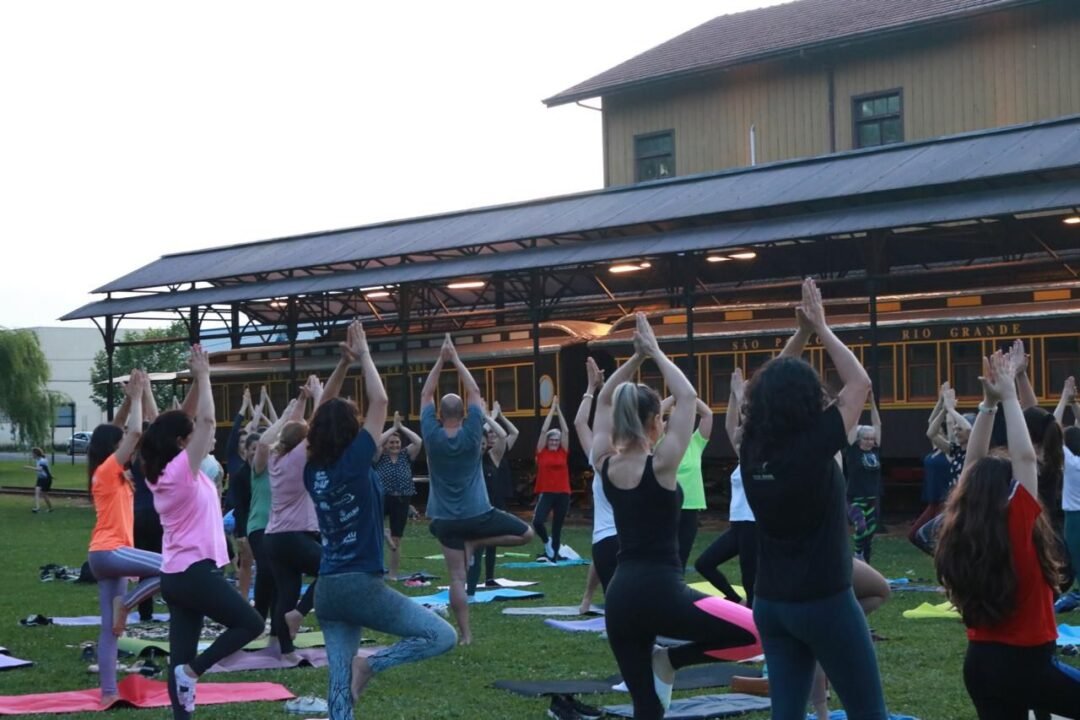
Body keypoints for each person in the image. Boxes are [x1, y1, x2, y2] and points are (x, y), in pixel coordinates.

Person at [593, 312, 761, 720]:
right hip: (661, 593)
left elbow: (603, 401)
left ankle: (665, 664)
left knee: (647, 709)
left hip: (620, 597)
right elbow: (687, 397)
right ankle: (670, 660)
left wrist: (634, 360)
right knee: (759, 633)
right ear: (655, 423)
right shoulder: (663, 465)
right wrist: (653, 352)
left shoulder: (604, 463)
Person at [740, 278, 886, 720]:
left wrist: (800, 334)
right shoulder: (814, 446)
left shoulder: (751, 447)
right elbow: (859, 383)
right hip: (824, 601)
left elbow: (764, 390)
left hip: (771, 604)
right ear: (808, 400)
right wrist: (820, 327)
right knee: (869, 713)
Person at [304, 319, 456, 720]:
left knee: (338, 685)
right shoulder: (355, 460)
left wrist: (343, 364)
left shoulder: (312, 469)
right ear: (352, 432)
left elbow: (319, 415)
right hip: (360, 584)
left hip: (327, 589)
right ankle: (371, 665)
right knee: (441, 635)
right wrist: (365, 354)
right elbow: (381, 401)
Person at [935, 350, 1080, 719]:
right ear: (1009, 493)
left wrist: (988, 405)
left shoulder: (958, 531)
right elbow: (1026, 459)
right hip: (1027, 666)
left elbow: (972, 465)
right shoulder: (1018, 527)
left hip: (980, 666)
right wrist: (1009, 396)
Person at [141, 346, 263, 720]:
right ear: (182, 443)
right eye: (192, 435)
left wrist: (196, 379)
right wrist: (207, 376)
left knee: (179, 656)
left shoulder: (165, 470)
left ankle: (184, 695)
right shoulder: (181, 470)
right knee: (251, 623)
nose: (205, 438)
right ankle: (193, 672)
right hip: (194, 572)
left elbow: (180, 420)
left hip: (177, 575)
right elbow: (207, 422)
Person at [420, 333, 534, 645]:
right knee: (527, 533)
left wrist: (440, 361)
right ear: (465, 414)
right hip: (478, 513)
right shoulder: (473, 433)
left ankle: (466, 635)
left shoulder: (431, 434)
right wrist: (455, 359)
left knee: (456, 579)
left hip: (445, 519)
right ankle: (477, 541)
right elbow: (474, 391)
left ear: (440, 414)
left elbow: (426, 393)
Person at [85, 369, 163, 707]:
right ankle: (128, 605)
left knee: (110, 630)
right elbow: (134, 432)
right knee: (174, 565)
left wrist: (131, 400)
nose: (128, 449)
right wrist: (136, 398)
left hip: (105, 557)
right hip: (110, 552)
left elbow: (119, 430)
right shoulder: (107, 470)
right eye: (121, 447)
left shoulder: (109, 471)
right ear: (112, 449)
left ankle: (108, 693)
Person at [260, 370, 344, 659]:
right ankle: (299, 613)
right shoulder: (298, 457)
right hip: (294, 536)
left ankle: (286, 651)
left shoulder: (276, 457)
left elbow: (288, 429)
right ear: (301, 443)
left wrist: (301, 400)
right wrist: (319, 395)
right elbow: (318, 425)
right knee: (334, 567)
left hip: (274, 538)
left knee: (287, 591)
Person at [694, 367, 756, 605]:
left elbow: (749, 427)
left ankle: (753, 618)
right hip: (738, 525)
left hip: (753, 526)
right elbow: (730, 427)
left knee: (750, 581)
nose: (737, 434)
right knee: (704, 564)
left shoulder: (757, 455)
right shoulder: (743, 456)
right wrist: (732, 394)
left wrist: (741, 395)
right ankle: (734, 600)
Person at [575, 357, 618, 613]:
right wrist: (599, 389)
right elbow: (584, 424)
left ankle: (588, 600)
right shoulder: (631, 459)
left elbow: (581, 423)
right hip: (622, 538)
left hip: (609, 539)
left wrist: (592, 389)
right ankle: (587, 599)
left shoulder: (600, 460)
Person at [466, 403, 514, 594]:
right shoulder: (468, 459)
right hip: (473, 509)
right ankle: (469, 587)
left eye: (484, 444)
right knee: (475, 550)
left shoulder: (492, 457)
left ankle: (489, 578)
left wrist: (488, 417)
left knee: (491, 544)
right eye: (479, 443)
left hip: (491, 506)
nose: (482, 446)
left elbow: (502, 435)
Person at [661, 394, 712, 571]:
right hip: (666, 507)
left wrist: (689, 396)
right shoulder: (660, 442)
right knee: (665, 555)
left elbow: (707, 414)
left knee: (681, 557)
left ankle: (674, 586)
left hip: (690, 508)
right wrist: (675, 395)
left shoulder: (695, 443)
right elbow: (655, 413)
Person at [372, 411, 423, 580]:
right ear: (386, 445)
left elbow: (418, 441)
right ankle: (377, 569)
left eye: (397, 442)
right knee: (375, 532)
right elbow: (376, 442)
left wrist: (401, 427)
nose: (394, 445)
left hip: (402, 498)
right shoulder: (380, 456)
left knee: (397, 538)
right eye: (391, 442)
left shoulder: (405, 455)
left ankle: (393, 574)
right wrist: (392, 428)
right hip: (383, 497)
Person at [845, 391, 882, 564]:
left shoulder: (875, 450)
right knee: (861, 527)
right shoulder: (853, 450)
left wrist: (872, 402)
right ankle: (858, 554)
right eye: (866, 438)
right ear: (859, 439)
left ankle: (865, 561)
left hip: (872, 498)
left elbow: (877, 423)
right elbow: (853, 424)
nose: (869, 441)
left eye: (871, 439)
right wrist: (860, 402)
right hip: (855, 498)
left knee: (870, 532)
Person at [533, 398, 571, 561]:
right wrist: (551, 410)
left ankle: (554, 554)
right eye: (552, 440)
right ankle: (547, 543)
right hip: (547, 492)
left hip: (563, 493)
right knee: (538, 521)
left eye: (556, 440)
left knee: (557, 526)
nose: (554, 442)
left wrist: (559, 411)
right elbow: (543, 431)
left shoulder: (563, 452)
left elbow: (566, 431)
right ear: (547, 441)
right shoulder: (542, 452)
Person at [1054, 377, 1080, 612]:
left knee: (1076, 557)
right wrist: (1074, 404)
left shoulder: (1071, 464)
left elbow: (1052, 430)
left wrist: (1065, 399)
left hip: (1074, 518)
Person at [26, 446, 53, 513]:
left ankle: (50, 508)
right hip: (40, 478)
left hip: (46, 479)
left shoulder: (42, 460)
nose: (32, 455)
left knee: (44, 494)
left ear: (36, 454)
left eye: (32, 453)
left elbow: (40, 469)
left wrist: (28, 467)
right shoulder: (38, 460)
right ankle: (37, 508)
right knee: (37, 492)